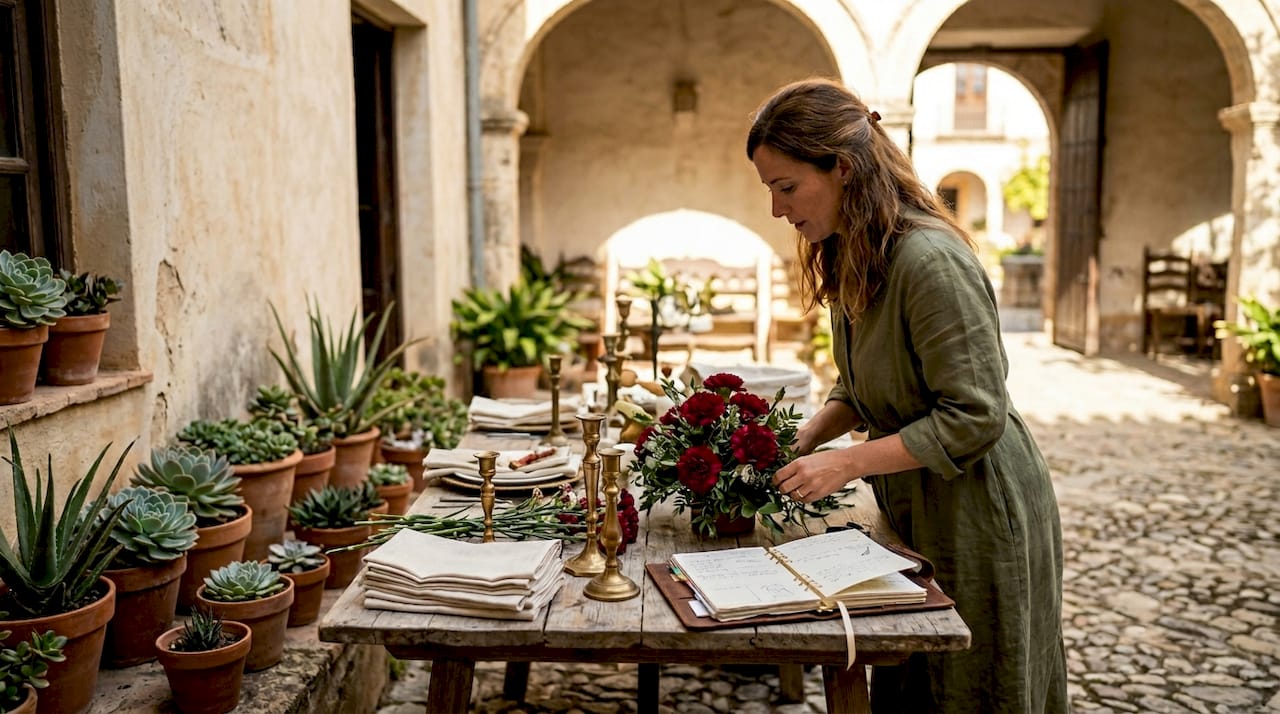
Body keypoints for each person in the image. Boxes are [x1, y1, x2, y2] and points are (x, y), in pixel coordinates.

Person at [751, 78, 1070, 713]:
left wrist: (842, 464)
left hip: (976, 507)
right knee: (910, 680)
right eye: (770, 191)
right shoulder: (853, 250)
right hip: (916, 500)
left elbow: (974, 415)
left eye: (787, 187)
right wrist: (806, 437)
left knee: (975, 687)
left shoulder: (928, 259)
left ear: (841, 168)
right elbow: (865, 383)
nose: (777, 210)